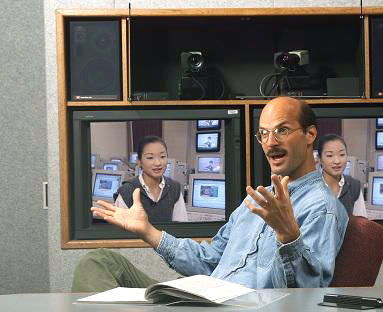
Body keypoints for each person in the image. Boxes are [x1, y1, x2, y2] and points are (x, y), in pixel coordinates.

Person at [72, 97, 347, 292]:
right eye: (263, 134)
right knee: (99, 261)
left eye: (282, 130)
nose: (270, 142)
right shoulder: (256, 200)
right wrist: (148, 231)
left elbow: (306, 296)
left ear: (310, 134)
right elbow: (209, 260)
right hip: (205, 297)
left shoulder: (322, 207)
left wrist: (289, 238)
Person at [114, 135, 188, 223]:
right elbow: (121, 231)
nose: (158, 163)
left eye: (162, 156)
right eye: (150, 157)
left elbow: (180, 226)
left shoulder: (174, 188)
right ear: (139, 161)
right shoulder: (127, 191)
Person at [318, 134, 367, 217]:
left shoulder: (354, 186)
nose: (337, 161)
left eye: (342, 155)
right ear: (320, 159)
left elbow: (361, 223)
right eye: (330, 155)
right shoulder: (309, 187)